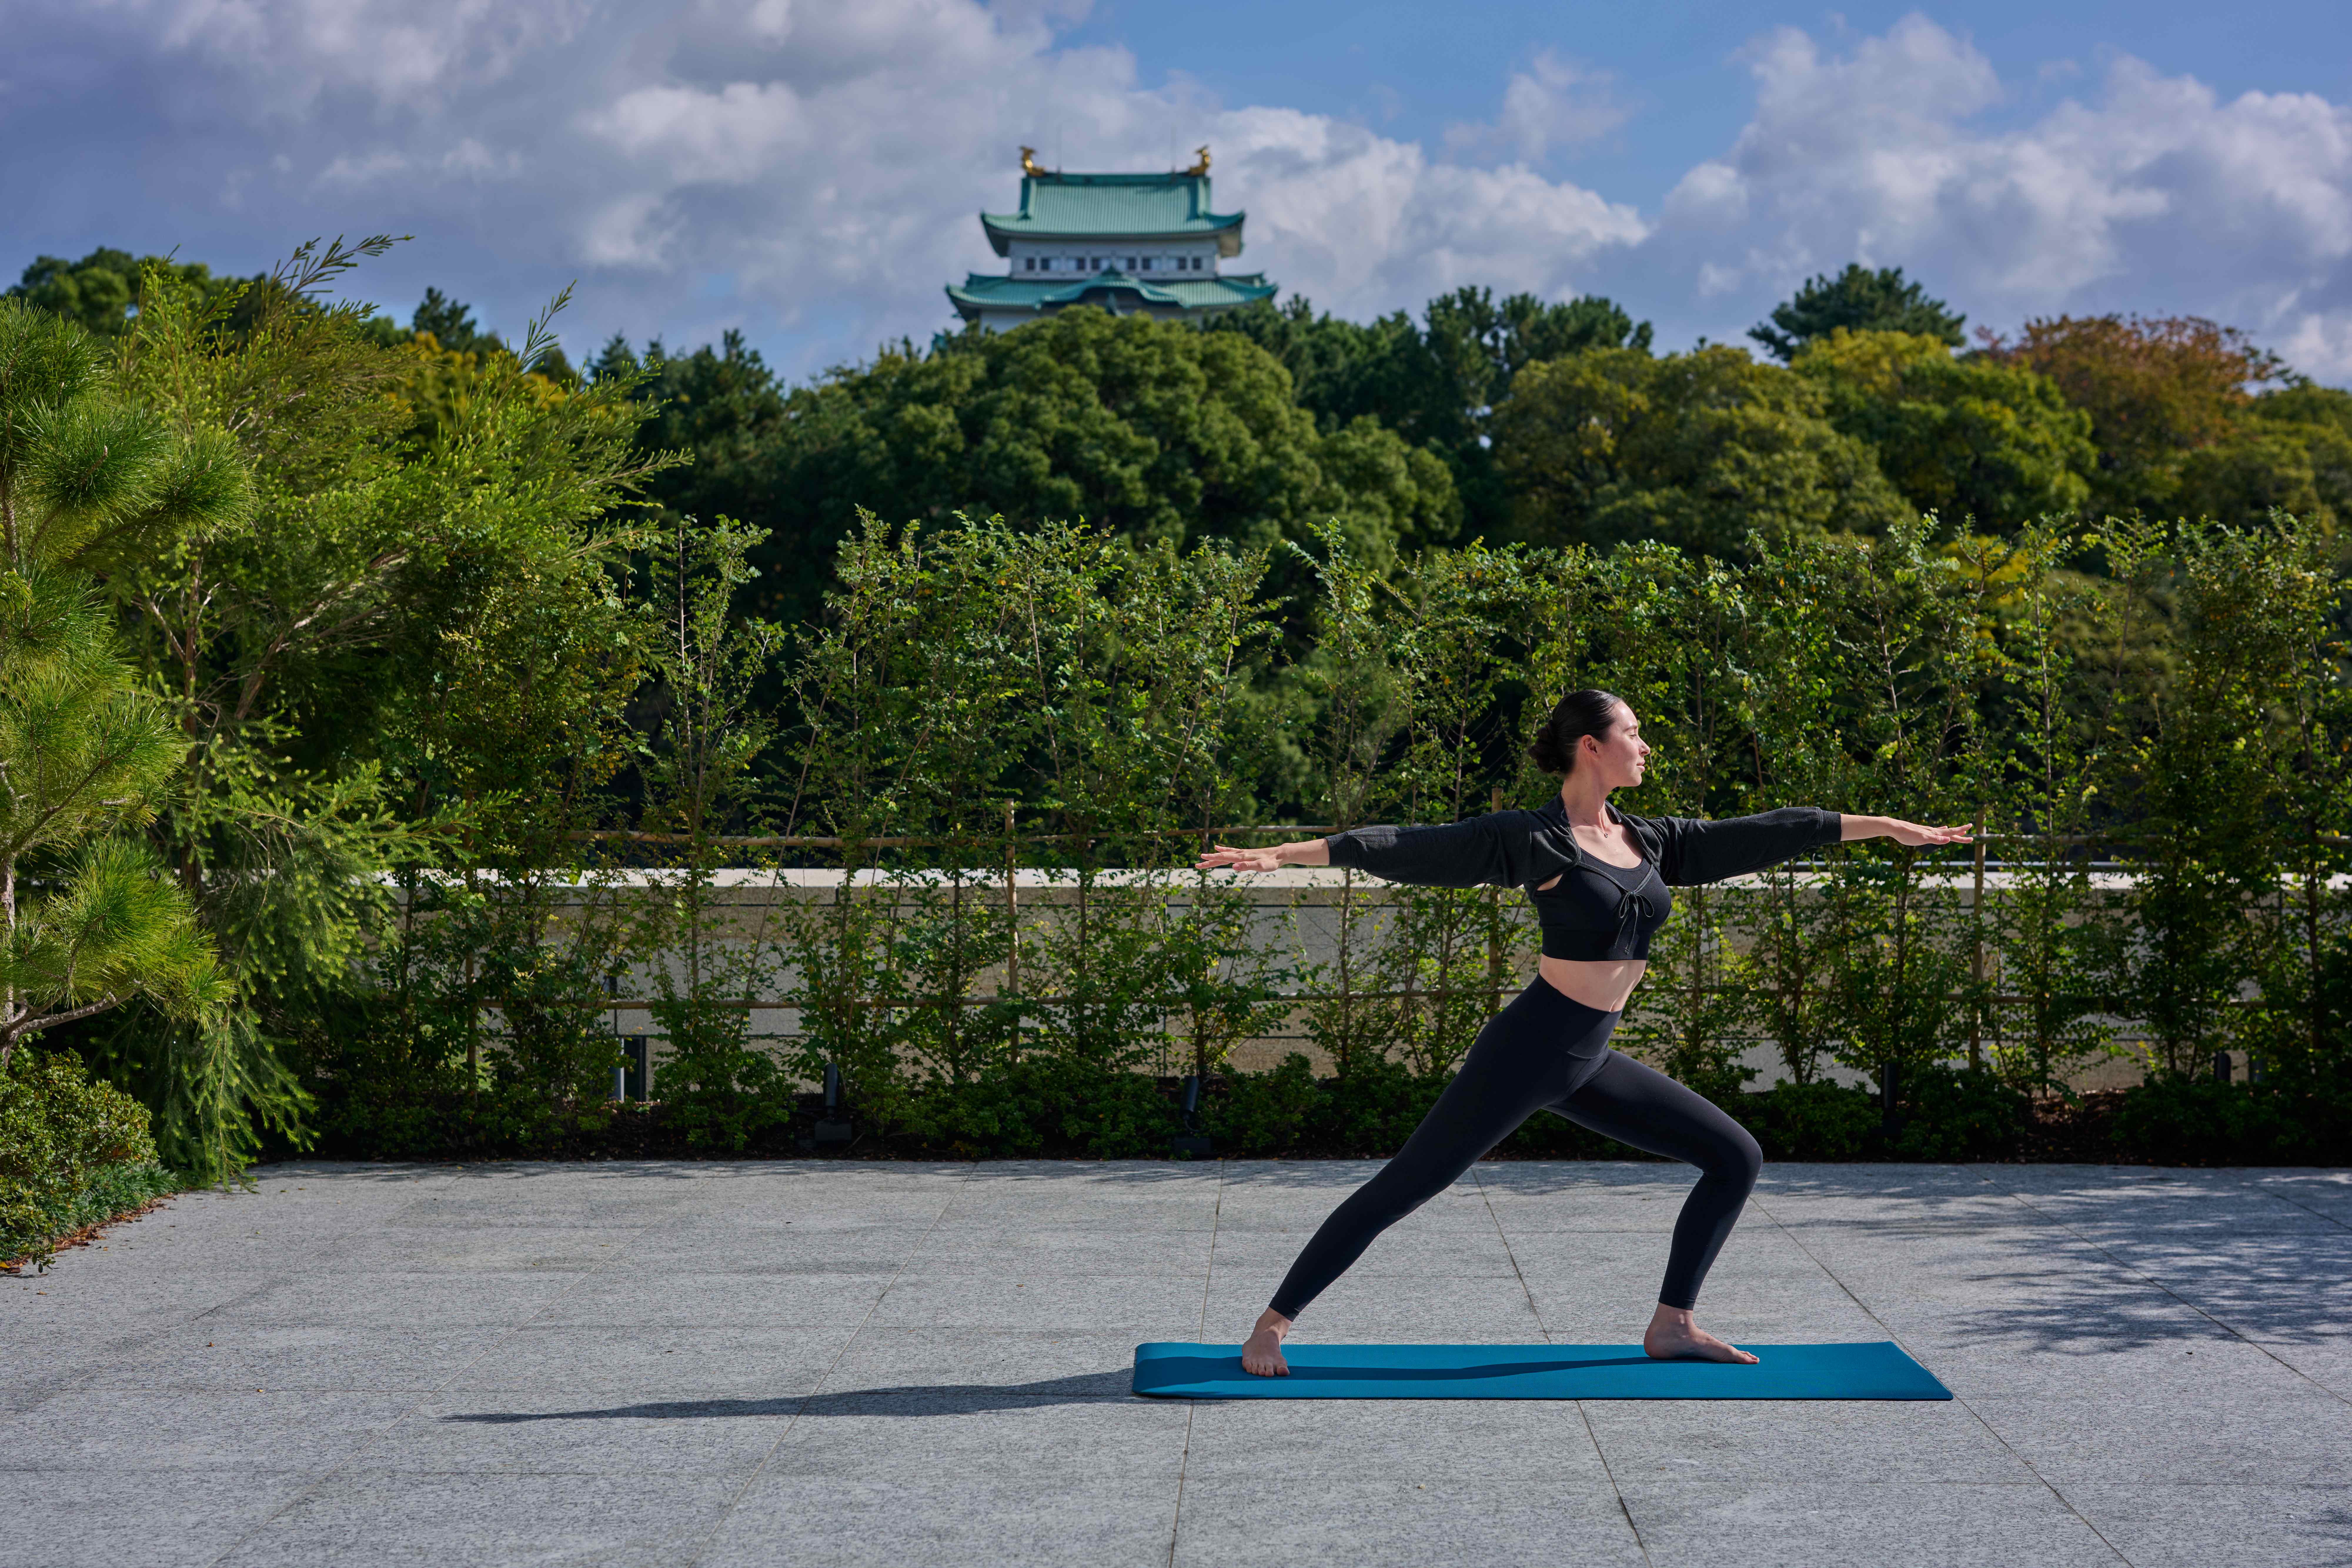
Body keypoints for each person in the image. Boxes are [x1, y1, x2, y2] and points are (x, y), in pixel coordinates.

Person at [1195, 689, 1971, 1376]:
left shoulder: (1652, 841)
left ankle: (1673, 1325)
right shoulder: (1534, 840)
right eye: (1634, 732)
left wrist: (1890, 829)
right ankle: (1271, 1326)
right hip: (1527, 1051)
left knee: (1735, 1157)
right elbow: (1401, 844)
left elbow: (1774, 828)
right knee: (1406, 1186)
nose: (1646, 745)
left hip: (1588, 1058)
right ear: (1590, 747)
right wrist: (1280, 853)